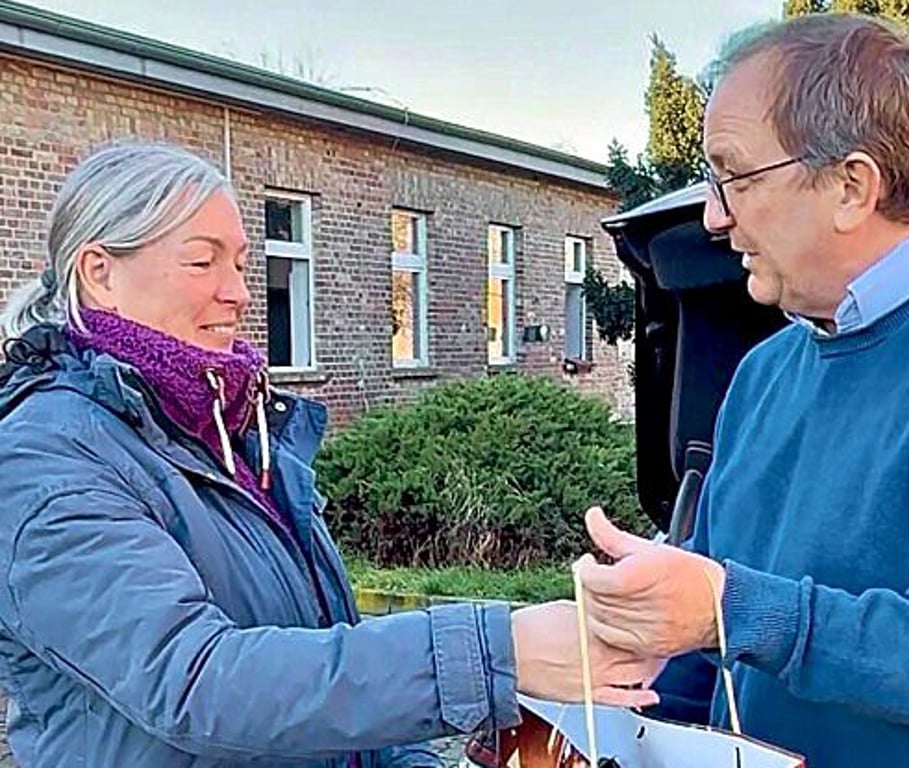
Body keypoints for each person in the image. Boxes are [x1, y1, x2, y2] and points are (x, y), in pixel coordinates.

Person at [0, 141, 660, 768]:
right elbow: (196, 679)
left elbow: (321, 649)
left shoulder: (232, 429)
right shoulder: (47, 464)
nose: (237, 291)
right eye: (203, 261)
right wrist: (498, 653)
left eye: (239, 262)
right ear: (99, 273)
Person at [575, 13, 909, 768]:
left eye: (734, 176)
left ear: (852, 186)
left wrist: (736, 608)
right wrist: (601, 715)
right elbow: (703, 650)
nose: (715, 217)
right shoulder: (764, 371)